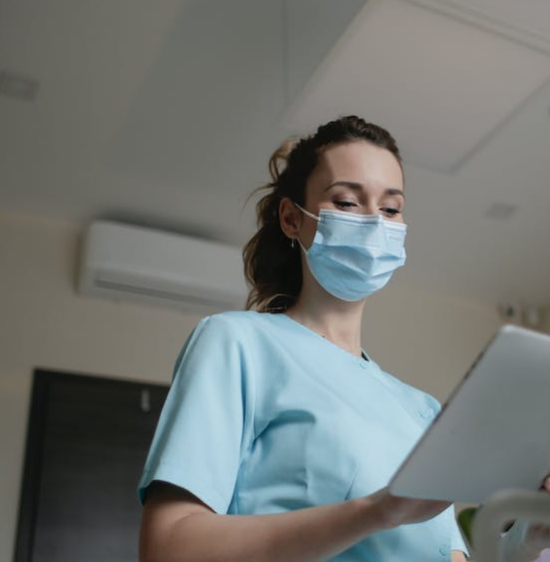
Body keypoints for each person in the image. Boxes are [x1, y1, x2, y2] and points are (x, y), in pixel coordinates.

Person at [137, 116, 468, 562]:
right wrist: (377, 511)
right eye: (349, 203)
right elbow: (168, 547)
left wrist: (527, 541)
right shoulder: (237, 344)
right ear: (293, 218)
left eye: (390, 209)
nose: (374, 224)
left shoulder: (422, 410)